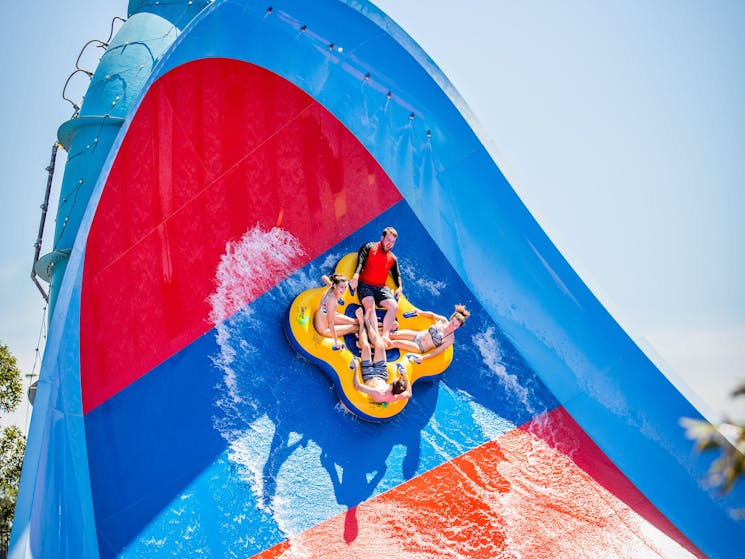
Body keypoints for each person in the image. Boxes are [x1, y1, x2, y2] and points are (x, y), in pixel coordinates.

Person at [348, 227, 402, 344]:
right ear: (382, 238)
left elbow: (397, 274)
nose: (390, 244)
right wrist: (356, 276)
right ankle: (376, 336)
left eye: (393, 242)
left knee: (394, 306)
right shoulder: (370, 247)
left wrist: (400, 287)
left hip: (380, 288)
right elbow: (360, 261)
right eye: (388, 240)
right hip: (365, 285)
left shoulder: (393, 258)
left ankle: (385, 334)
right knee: (370, 306)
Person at [351, 308, 411, 403]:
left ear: (391, 386)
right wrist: (405, 375)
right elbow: (409, 393)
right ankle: (367, 321)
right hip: (381, 373)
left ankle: (361, 322)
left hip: (369, 375)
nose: (395, 378)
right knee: (380, 345)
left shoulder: (378, 393)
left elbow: (357, 386)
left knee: (366, 347)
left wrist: (356, 367)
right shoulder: (396, 395)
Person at [386, 304, 470, 363]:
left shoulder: (450, 339)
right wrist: (419, 312)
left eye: (456, 326)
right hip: (416, 335)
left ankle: (376, 346)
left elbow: (437, 351)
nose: (452, 326)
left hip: (419, 347)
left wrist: (423, 358)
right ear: (451, 318)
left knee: (396, 343)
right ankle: (376, 338)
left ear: (458, 327)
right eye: (452, 323)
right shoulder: (443, 320)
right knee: (393, 335)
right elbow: (432, 315)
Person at [313, 273, 357, 349]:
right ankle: (377, 329)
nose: (343, 290)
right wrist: (336, 341)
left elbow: (323, 277)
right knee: (354, 328)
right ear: (335, 286)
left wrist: (339, 297)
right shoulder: (332, 301)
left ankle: (377, 326)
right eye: (341, 287)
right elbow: (330, 323)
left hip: (322, 315)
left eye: (345, 287)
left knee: (355, 321)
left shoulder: (331, 287)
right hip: (324, 328)